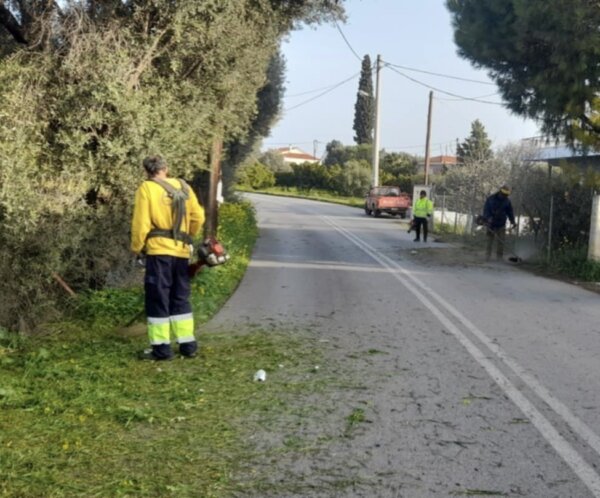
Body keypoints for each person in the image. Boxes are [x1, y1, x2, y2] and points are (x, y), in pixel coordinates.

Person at [131, 156, 205, 360]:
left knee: (158, 297)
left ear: (146, 171)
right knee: (180, 297)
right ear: (166, 168)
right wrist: (187, 236)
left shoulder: (147, 189)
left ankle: (161, 349)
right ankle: (187, 345)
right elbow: (198, 217)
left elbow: (141, 224)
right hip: (181, 252)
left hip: (158, 253)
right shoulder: (183, 186)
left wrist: (136, 248)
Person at [483, 185, 516, 261]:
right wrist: (488, 218)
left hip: (501, 224)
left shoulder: (507, 201)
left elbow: (510, 212)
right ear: (500, 192)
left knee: (501, 242)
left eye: (506, 195)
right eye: (504, 195)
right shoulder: (491, 199)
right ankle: (487, 257)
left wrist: (513, 221)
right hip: (491, 224)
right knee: (489, 241)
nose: (505, 196)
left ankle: (499, 258)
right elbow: (486, 210)